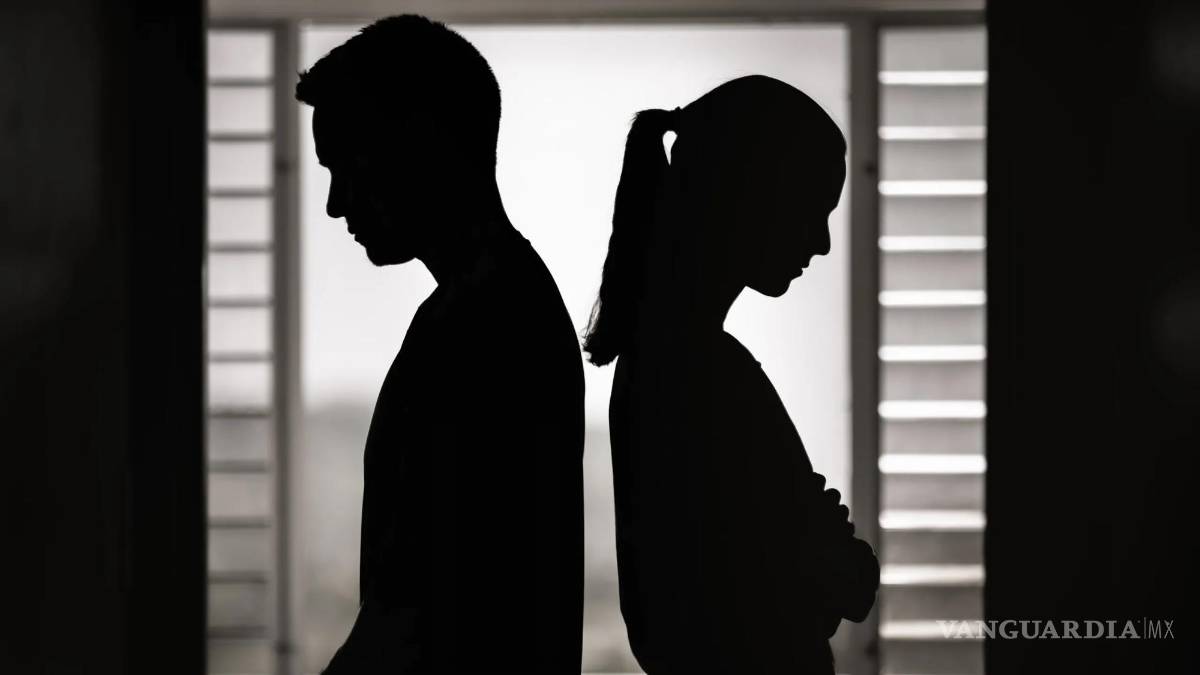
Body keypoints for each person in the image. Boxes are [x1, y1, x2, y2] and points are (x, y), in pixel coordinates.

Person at [297, 15, 584, 673]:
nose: (335, 204)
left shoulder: (482, 326)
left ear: (418, 144)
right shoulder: (500, 303)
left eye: (347, 166)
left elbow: (415, 615)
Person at [584, 75, 880, 674]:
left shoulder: (674, 362)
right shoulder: (704, 376)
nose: (823, 243)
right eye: (813, 209)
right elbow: (835, 585)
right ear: (754, 197)